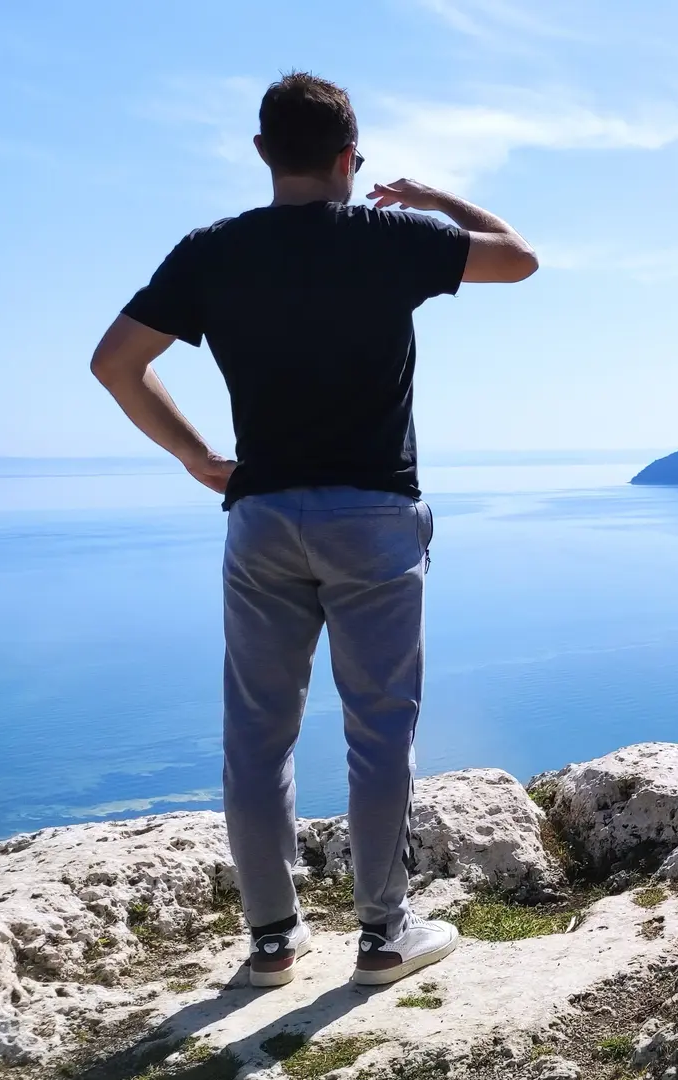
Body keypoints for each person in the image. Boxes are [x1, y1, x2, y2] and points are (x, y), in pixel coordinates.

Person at [90, 71, 537, 988]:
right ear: (349, 157)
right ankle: (382, 936)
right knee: (379, 731)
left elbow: (115, 364)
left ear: (263, 153)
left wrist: (192, 454)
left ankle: (271, 942)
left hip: (260, 517)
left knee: (257, 735)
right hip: (374, 518)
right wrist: (428, 196)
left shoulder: (211, 252)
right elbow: (518, 256)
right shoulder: (391, 236)